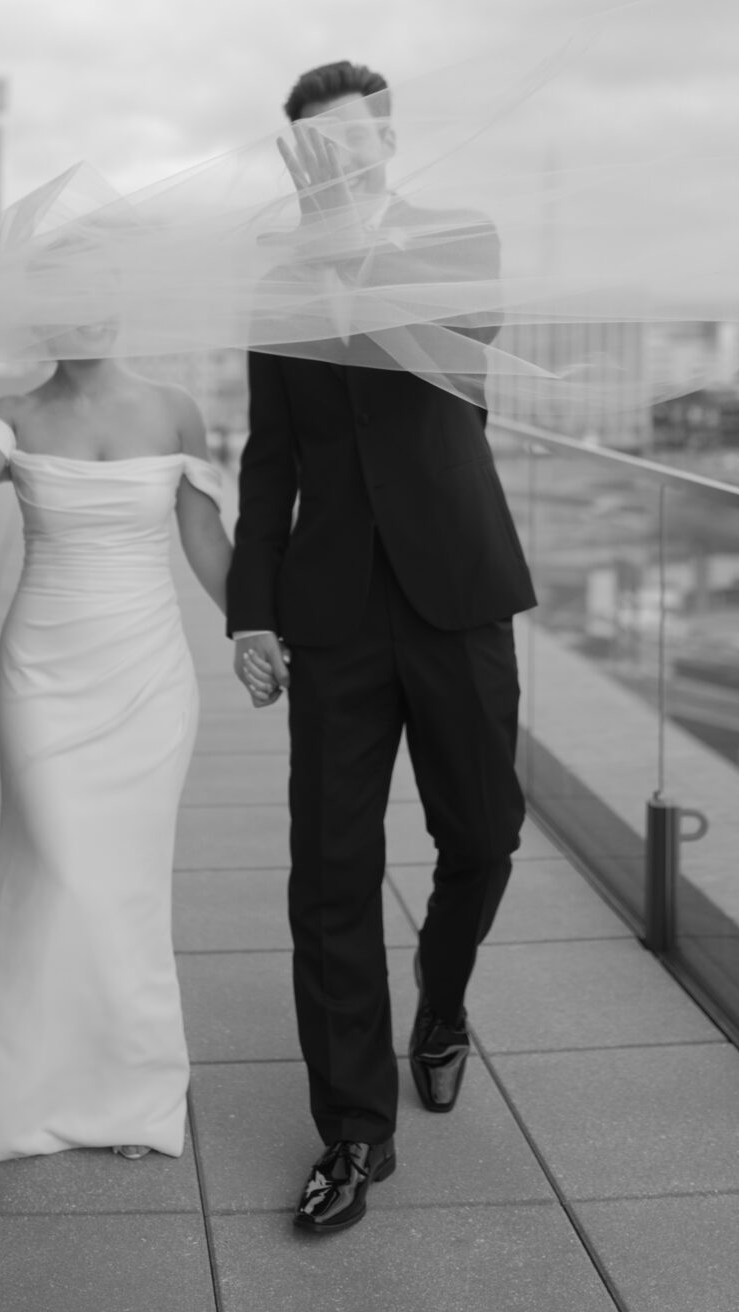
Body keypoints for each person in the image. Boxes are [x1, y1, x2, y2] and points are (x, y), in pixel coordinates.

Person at [227, 59, 536, 1234]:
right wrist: (251, 606)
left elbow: (450, 341)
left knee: (486, 836)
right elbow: (270, 455)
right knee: (331, 875)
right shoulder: (273, 278)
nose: (336, 159)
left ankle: (441, 1002)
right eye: (314, 144)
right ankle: (354, 1133)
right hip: (334, 613)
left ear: (387, 143)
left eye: (352, 141)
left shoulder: (458, 239)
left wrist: (344, 244)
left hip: (459, 588)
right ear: (291, 154)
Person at [0, 354, 231, 1164]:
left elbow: (203, 534)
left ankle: (126, 1091)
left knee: (126, 880)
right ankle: (10, 1077)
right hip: (43, 671)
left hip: (148, 672)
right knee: (55, 859)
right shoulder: (13, 409)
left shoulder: (175, 406)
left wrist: (257, 625)